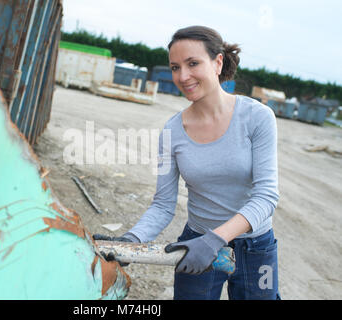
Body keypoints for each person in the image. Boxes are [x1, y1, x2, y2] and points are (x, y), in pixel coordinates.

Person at [94, 25, 280, 300]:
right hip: (195, 245)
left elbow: (266, 197)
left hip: (255, 249)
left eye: (193, 63)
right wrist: (132, 241)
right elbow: (163, 204)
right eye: (175, 67)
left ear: (218, 63)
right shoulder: (171, 132)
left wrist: (215, 239)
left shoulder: (258, 117)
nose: (183, 76)